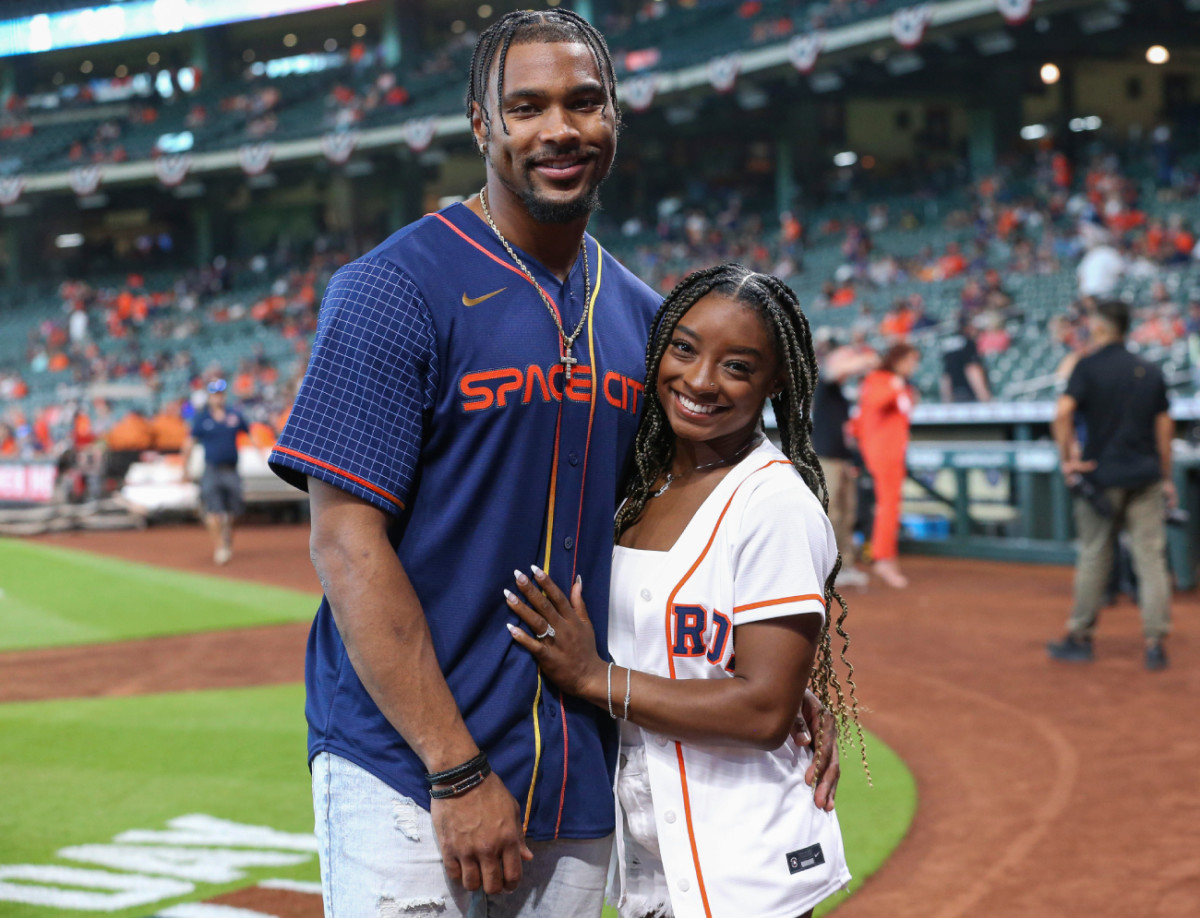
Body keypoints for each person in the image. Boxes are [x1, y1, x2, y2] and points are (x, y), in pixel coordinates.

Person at [266, 10, 843, 917]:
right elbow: (345, 546)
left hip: (579, 775)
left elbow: (685, 524)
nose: (559, 130)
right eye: (526, 107)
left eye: (584, 102)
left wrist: (777, 683)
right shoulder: (390, 289)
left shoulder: (648, 320)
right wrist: (455, 772)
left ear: (615, 115)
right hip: (408, 770)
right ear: (480, 123)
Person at [504, 265, 864, 918]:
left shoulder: (773, 502)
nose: (700, 382)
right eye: (685, 348)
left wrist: (595, 679)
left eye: (737, 365)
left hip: (749, 869)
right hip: (653, 862)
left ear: (775, 380)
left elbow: (760, 712)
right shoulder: (637, 488)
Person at [1047, 299, 1174, 671]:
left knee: (1094, 554)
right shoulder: (1149, 369)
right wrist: (1166, 477)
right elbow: (1165, 428)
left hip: (1101, 477)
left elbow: (1062, 413)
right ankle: (1155, 644)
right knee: (1150, 558)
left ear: (1101, 328)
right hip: (1145, 476)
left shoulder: (1087, 367)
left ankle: (1080, 637)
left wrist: (1068, 457)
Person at [813, 334, 878, 588]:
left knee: (847, 514)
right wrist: (863, 357)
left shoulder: (840, 392)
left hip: (841, 459)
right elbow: (835, 369)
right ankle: (825, 570)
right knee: (830, 514)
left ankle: (845, 566)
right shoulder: (825, 383)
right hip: (826, 458)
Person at [855, 343, 920, 589]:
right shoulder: (881, 379)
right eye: (910, 360)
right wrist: (896, 386)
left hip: (894, 452)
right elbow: (875, 404)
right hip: (882, 453)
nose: (913, 366)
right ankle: (883, 559)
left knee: (891, 507)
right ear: (898, 359)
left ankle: (886, 557)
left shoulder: (897, 383)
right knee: (887, 507)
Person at [182, 379, 249, 565]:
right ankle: (220, 546)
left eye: (220, 394)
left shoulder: (234, 416)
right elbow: (189, 443)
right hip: (211, 469)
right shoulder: (202, 419)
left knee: (235, 511)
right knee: (213, 510)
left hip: (231, 469)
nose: (217, 398)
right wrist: (184, 468)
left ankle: (226, 537)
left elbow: (250, 434)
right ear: (210, 397)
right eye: (214, 395)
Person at [939, 318, 992, 403]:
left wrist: (946, 401)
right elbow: (972, 369)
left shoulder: (949, 344)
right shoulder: (969, 344)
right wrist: (984, 397)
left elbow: (946, 375)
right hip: (970, 395)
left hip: (955, 395)